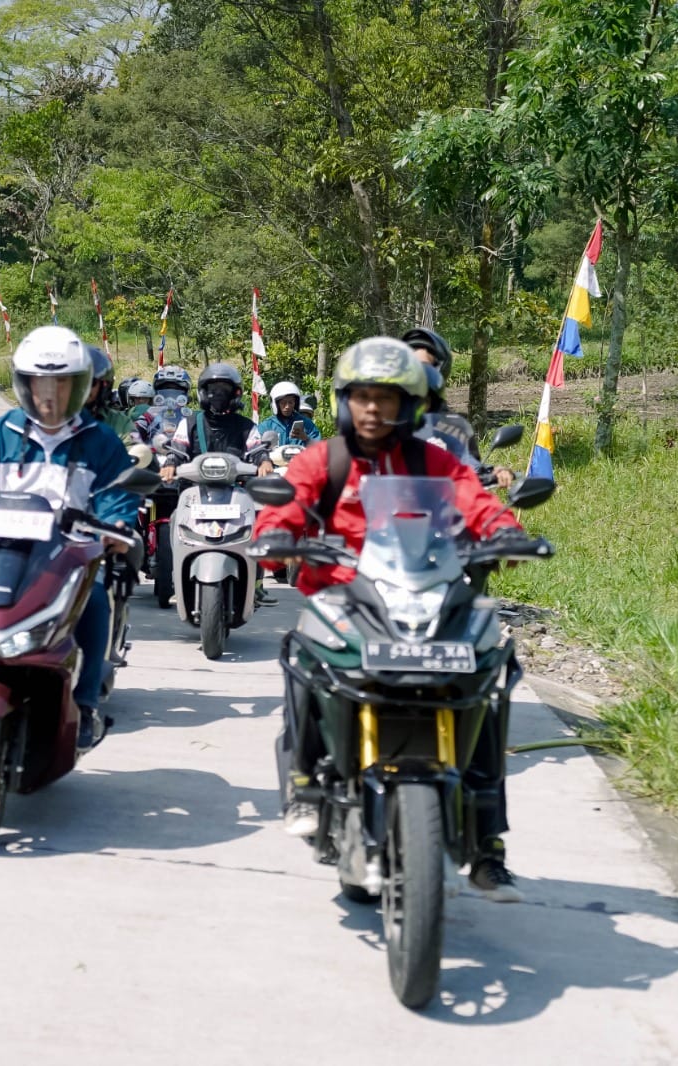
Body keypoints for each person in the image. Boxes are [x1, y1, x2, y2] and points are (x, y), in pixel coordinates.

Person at [252, 336, 526, 901]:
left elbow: (476, 501)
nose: (373, 409)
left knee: (486, 674)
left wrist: (504, 533)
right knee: (304, 655)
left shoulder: (435, 461)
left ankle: (487, 845)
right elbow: (287, 504)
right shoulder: (323, 458)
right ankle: (305, 780)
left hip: (425, 594)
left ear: (411, 405)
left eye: (388, 397)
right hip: (345, 598)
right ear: (343, 401)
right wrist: (278, 535)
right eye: (362, 396)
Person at [0, 325, 136, 752]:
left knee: (96, 599)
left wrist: (117, 527)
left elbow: (118, 496)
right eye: (40, 384)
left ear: (82, 387)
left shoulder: (100, 442)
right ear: (23, 386)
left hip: (67, 555)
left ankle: (84, 703)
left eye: (63, 385)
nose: (51, 395)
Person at [161, 363, 277, 606]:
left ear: (235, 393)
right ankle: (175, 579)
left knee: (260, 521)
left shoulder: (246, 426)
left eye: (224, 389)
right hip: (195, 494)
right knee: (173, 521)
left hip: (236, 493)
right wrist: (171, 462)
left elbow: (256, 448)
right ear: (203, 392)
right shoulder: (190, 422)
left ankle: (255, 584)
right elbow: (178, 448)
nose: (218, 394)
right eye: (213, 388)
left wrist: (264, 460)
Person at [402, 327, 514, 489]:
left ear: (439, 368)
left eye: (425, 365)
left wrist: (493, 472)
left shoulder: (453, 426)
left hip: (442, 504)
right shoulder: (386, 420)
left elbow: (469, 464)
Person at [85, 345, 140, 442]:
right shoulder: (53, 418)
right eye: (75, 382)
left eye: (91, 382)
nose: (82, 387)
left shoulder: (119, 423)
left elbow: (133, 449)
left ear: (103, 385)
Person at [256, 381, 321, 444]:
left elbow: (319, 448)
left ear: (295, 403)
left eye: (291, 402)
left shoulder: (307, 424)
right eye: (283, 403)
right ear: (276, 404)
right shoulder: (266, 426)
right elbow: (255, 448)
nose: (287, 406)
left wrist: (306, 438)